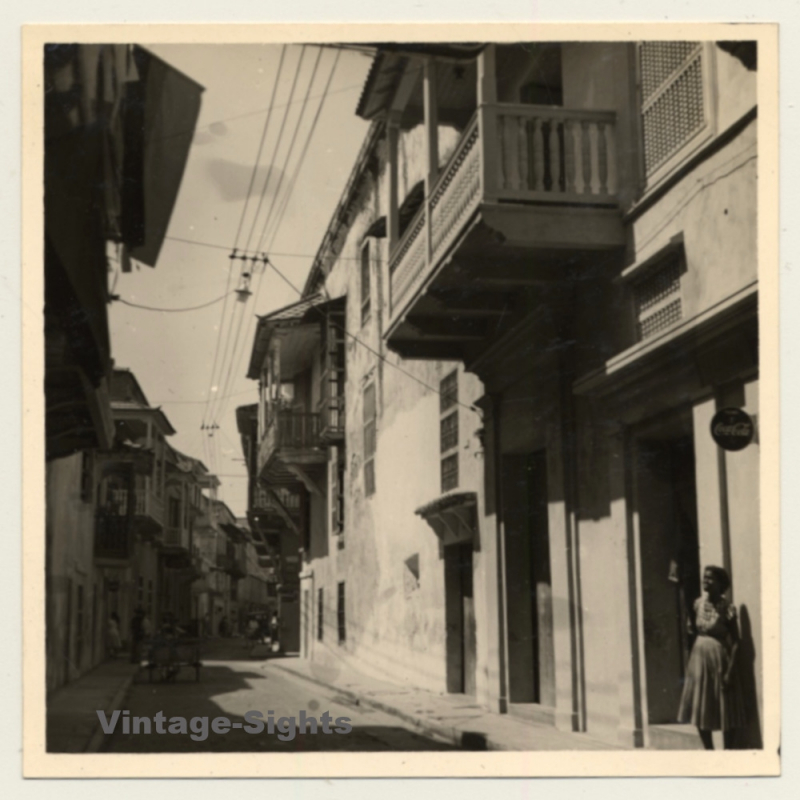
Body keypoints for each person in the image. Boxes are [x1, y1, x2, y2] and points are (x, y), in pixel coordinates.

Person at [677, 565, 746, 749]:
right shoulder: (698, 603)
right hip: (699, 660)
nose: (705, 581)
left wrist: (730, 671)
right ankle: (709, 750)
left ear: (721, 583)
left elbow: (737, 641)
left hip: (719, 660)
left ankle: (728, 752)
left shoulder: (727, 608)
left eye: (710, 578)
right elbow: (692, 631)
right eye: (704, 577)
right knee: (700, 705)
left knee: (726, 707)